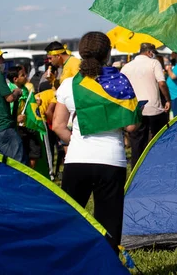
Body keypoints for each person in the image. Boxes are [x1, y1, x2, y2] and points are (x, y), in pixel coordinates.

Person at [53, 32, 140, 254]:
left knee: (71, 222)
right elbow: (131, 127)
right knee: (109, 226)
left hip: (77, 160)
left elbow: (58, 126)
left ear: (81, 53)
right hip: (112, 160)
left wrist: (73, 143)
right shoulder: (121, 82)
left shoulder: (69, 85)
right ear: (108, 53)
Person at [120, 43, 171, 169]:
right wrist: (167, 99)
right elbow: (162, 83)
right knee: (159, 141)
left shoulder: (126, 67)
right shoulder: (154, 63)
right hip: (154, 109)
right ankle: (159, 167)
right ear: (149, 52)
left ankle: (136, 171)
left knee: (137, 144)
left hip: (136, 109)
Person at [7, 66, 41, 169]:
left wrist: (35, 103)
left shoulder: (25, 89)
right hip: (16, 129)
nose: (26, 76)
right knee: (20, 155)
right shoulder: (9, 92)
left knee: (34, 152)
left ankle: (31, 175)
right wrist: (15, 119)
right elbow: (6, 111)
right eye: (22, 75)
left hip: (28, 125)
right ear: (15, 79)